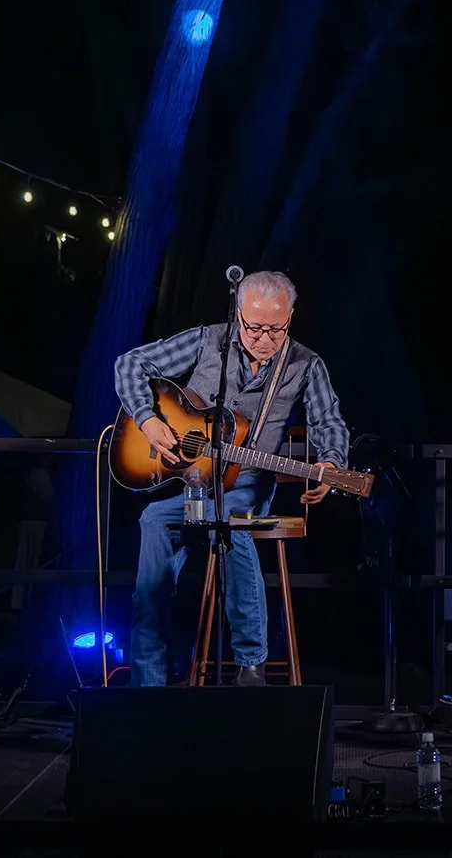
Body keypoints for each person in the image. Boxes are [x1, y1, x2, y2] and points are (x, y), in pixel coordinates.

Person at [115, 270, 349, 687]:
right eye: (254, 327)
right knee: (153, 519)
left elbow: (329, 420)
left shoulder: (305, 364)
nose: (264, 338)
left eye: (275, 329)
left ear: (290, 318)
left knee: (233, 521)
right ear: (237, 314)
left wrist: (331, 463)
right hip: (194, 484)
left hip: (250, 486)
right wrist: (148, 420)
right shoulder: (208, 340)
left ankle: (250, 664)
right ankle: (147, 683)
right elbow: (129, 364)